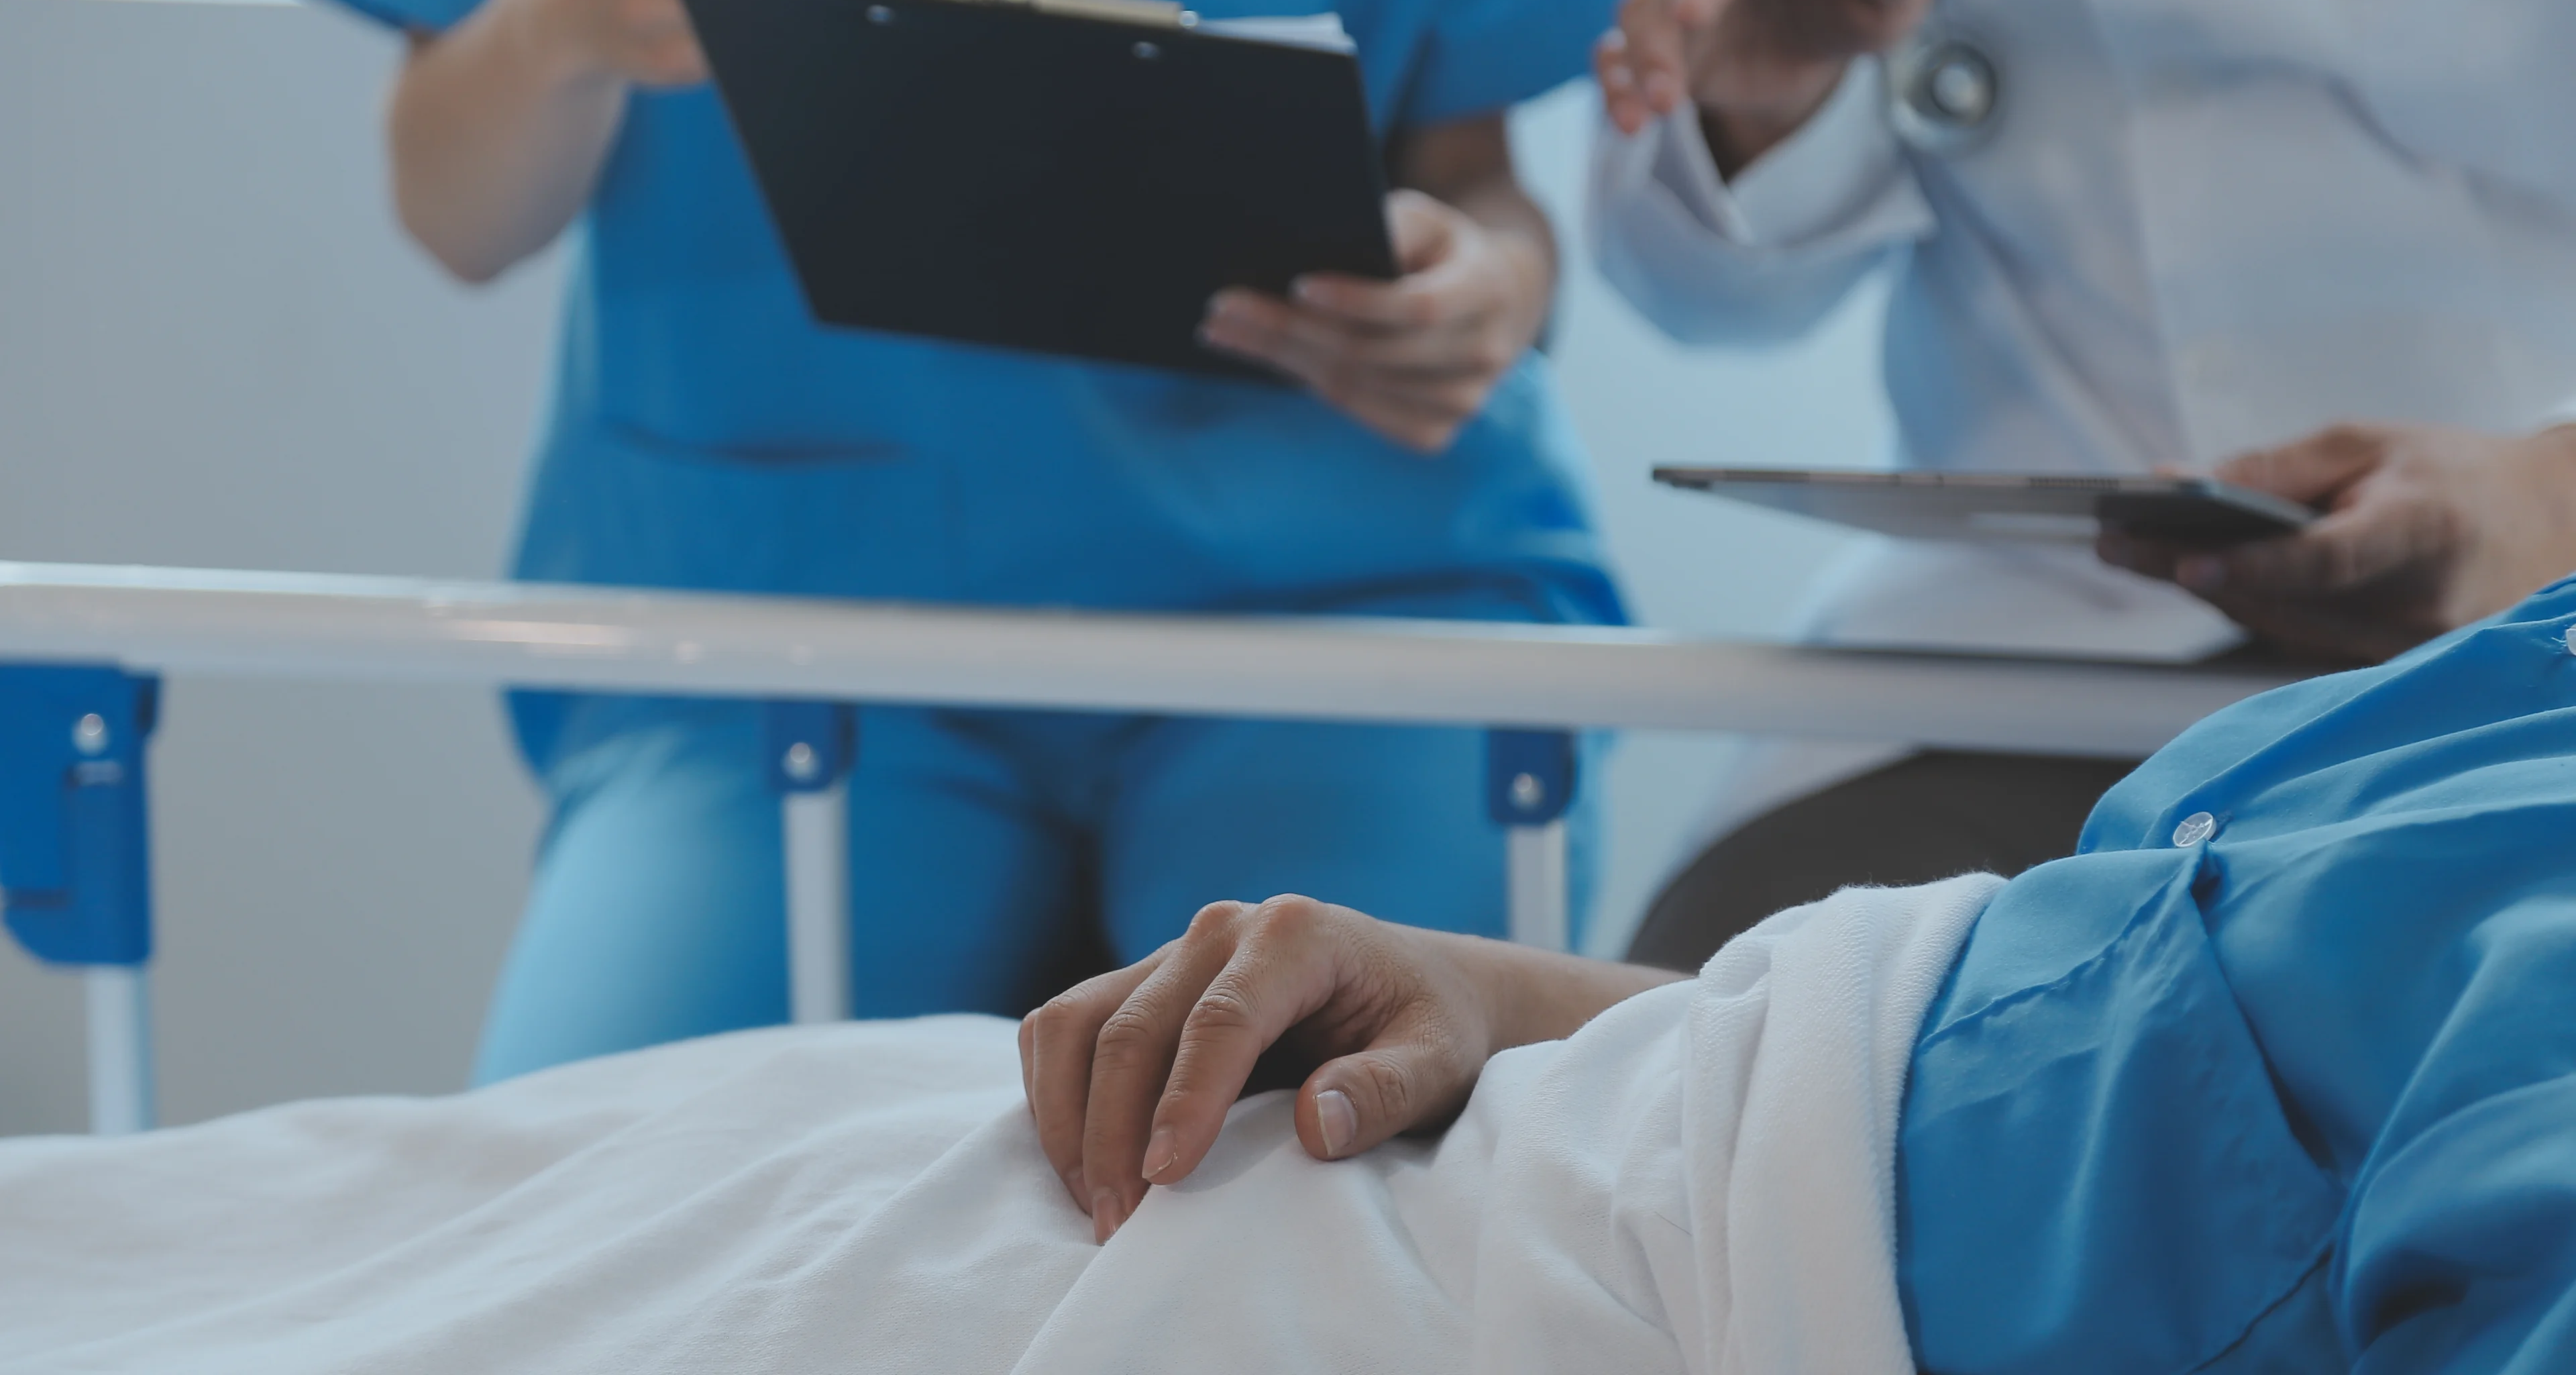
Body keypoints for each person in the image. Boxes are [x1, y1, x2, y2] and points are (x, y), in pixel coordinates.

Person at [11, 579, 2576, 1372]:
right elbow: (2124, 1000)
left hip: (1650, 1286)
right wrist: (1524, 989)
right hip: (1642, 1096)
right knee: (441, 1217)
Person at [237, 0, 1630, 1079]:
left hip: (1353, 601)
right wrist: (567, 16)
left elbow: (1481, 185)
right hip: (782, 620)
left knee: (1318, 1192)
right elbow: (453, 207)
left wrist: (1481, 289)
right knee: (601, 1201)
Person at [1587, 0, 2576, 964]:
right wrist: (1768, 104)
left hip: (2519, 651)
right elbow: (1694, 283)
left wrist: (2547, 498)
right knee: (1717, 1052)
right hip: (2021, 641)